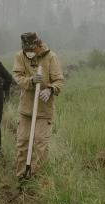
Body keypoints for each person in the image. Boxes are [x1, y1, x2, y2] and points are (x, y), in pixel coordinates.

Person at [12, 32, 65, 179]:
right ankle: (21, 176)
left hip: (44, 110)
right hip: (26, 109)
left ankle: (36, 178)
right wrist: (31, 81)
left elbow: (59, 80)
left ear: (38, 45)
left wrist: (50, 89)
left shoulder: (51, 57)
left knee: (40, 144)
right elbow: (17, 77)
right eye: (25, 50)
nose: (28, 53)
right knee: (22, 142)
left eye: (31, 50)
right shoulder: (20, 56)